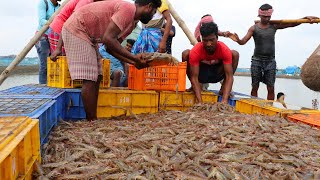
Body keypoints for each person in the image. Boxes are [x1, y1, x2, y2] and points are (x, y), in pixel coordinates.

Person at [61, 0, 161, 121]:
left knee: (97, 76)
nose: (152, 16)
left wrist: (133, 62)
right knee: (90, 78)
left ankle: (93, 119)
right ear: (149, 7)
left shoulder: (131, 23)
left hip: (89, 36)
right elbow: (108, 39)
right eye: (154, 12)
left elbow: (110, 48)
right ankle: (91, 121)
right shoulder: (128, 9)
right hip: (78, 29)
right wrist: (134, 58)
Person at [229, 3, 318, 100]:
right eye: (264, 17)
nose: (267, 19)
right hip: (256, 60)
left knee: (270, 87)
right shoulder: (254, 28)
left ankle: (269, 107)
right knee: (255, 86)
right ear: (259, 16)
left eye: (269, 17)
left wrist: (304, 18)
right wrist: (238, 40)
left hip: (270, 61)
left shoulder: (273, 25)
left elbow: (291, 24)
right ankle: (254, 104)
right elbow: (243, 41)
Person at [183, 22, 239, 104]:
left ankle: (223, 87)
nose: (209, 44)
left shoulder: (224, 49)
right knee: (186, 53)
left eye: (212, 40)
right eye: (205, 41)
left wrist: (224, 101)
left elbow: (229, 76)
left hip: (217, 74)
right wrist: (200, 102)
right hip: (201, 76)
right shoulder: (196, 50)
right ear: (202, 39)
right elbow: (194, 77)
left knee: (235, 54)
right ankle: (194, 87)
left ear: (217, 38)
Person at [35, 0, 60, 84]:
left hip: (54, 37)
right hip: (43, 37)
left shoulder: (59, 7)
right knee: (44, 65)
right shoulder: (44, 3)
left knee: (53, 63)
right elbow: (42, 20)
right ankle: (43, 87)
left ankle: (51, 84)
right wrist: (55, 25)